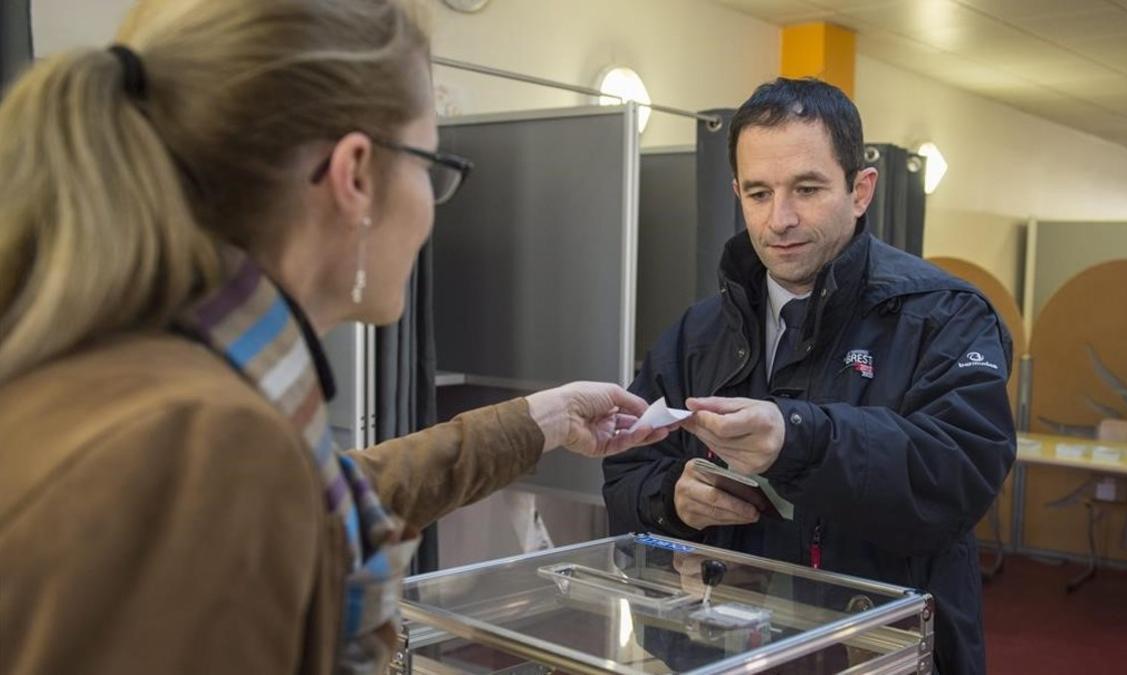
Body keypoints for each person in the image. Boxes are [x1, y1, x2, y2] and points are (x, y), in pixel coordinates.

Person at [0, 1, 670, 674]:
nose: (430, 209)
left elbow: (338, 493)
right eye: (430, 167)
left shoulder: (146, 366)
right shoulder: (214, 443)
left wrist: (540, 418)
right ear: (354, 174)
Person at [603, 77, 1015, 674]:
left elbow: (959, 472)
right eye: (759, 193)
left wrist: (799, 437)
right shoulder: (697, 332)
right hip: (725, 651)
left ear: (860, 189)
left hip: (882, 652)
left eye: (807, 188)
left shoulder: (943, 316)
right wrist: (673, 500)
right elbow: (625, 471)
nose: (781, 219)